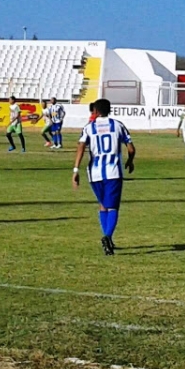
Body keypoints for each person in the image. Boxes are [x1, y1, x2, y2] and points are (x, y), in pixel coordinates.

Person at [72, 99, 135, 256]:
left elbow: (80, 146)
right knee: (113, 207)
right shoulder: (118, 125)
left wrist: (75, 169)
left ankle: (109, 239)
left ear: (96, 111)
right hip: (113, 173)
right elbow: (131, 148)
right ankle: (107, 236)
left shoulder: (89, 128)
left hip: (94, 174)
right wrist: (130, 161)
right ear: (110, 110)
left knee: (103, 205)